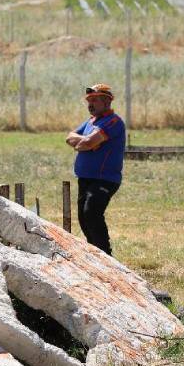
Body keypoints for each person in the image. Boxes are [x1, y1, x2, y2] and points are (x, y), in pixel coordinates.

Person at [66, 83, 126, 255]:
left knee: (91, 213)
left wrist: (85, 143)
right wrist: (85, 143)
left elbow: (87, 143)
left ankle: (106, 256)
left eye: (94, 100)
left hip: (104, 179)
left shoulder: (113, 122)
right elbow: (69, 137)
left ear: (106, 102)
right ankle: (95, 255)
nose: (90, 104)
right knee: (83, 218)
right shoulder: (91, 122)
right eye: (89, 100)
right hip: (85, 178)